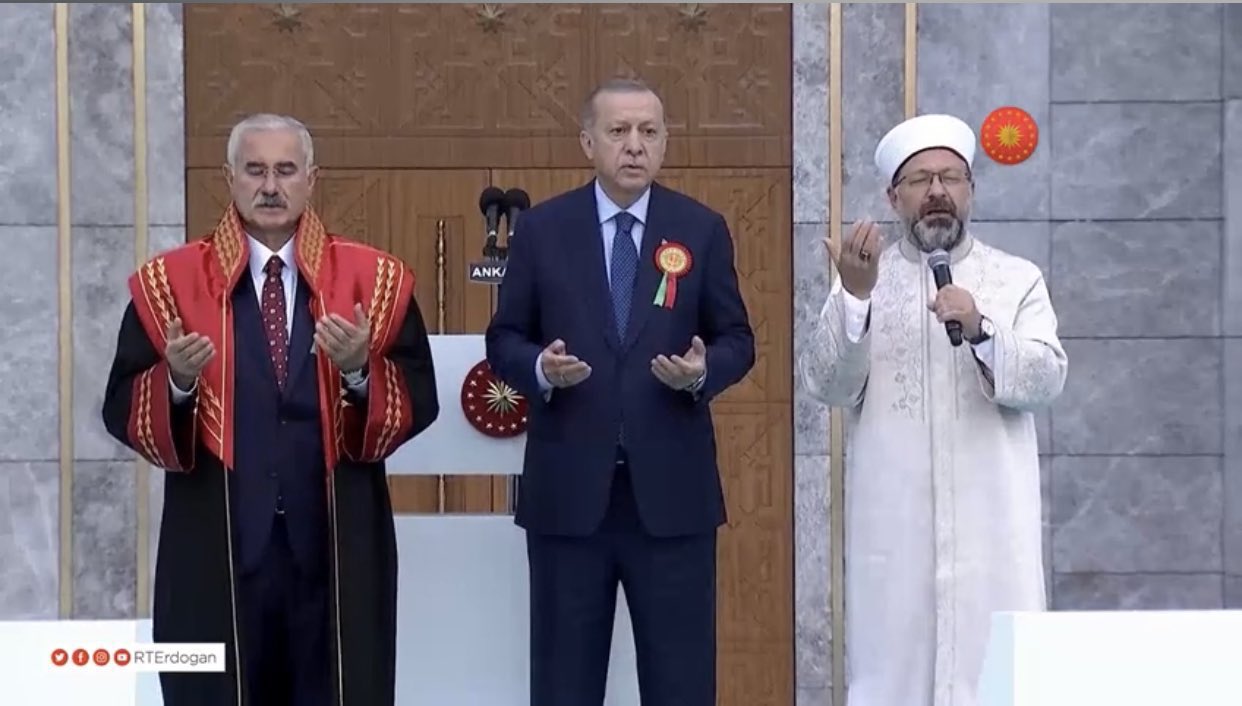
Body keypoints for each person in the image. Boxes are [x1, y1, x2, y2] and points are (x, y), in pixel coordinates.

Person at [101, 113, 439, 706]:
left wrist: (359, 370)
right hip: (216, 543)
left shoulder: (372, 281)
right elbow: (120, 405)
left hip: (335, 542)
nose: (271, 186)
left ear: (312, 178)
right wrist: (177, 382)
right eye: (255, 171)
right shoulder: (171, 285)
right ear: (228, 178)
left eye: (285, 170)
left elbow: (420, 397)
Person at [485, 77, 755, 706]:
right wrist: (540, 369)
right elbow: (505, 339)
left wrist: (702, 371)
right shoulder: (543, 230)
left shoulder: (701, 228)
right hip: (569, 497)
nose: (635, 145)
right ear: (588, 142)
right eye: (619, 131)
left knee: (682, 683)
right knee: (565, 683)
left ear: (664, 142)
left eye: (649, 132)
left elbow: (738, 339)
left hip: (673, 499)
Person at [798, 114, 1068, 706]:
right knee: (893, 675)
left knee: (1000, 677)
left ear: (971, 190)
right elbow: (826, 383)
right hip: (895, 537)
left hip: (992, 532)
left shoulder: (1015, 279)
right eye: (920, 180)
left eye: (951, 178)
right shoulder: (864, 280)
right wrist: (854, 298)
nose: (937, 192)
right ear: (894, 198)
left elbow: (1047, 380)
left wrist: (982, 329)